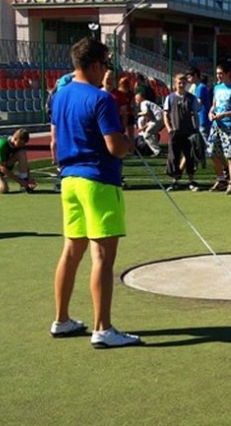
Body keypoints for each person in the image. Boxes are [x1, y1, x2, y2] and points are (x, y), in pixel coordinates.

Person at [49, 36, 142, 348]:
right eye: (105, 64)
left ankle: (61, 319)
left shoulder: (59, 95)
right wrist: (131, 143)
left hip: (70, 181)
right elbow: (115, 147)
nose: (107, 70)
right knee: (101, 255)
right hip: (98, 180)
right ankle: (103, 328)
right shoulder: (101, 99)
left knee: (71, 251)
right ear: (93, 64)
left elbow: (54, 139)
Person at [207, 60, 231, 194]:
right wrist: (211, 112)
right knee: (212, 152)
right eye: (217, 73)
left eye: (221, 73)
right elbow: (214, 104)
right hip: (216, 125)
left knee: (230, 155)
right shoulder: (217, 88)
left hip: (230, 126)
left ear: (227, 73)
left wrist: (225, 114)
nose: (218, 76)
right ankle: (221, 179)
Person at [163, 74, 200, 192]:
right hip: (175, 132)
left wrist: (197, 129)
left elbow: (195, 114)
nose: (181, 84)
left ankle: (191, 181)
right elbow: (165, 114)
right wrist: (169, 128)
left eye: (183, 82)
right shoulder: (170, 98)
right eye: (179, 82)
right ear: (175, 83)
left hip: (189, 132)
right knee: (174, 157)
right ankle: (175, 181)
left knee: (190, 156)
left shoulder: (191, 98)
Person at [0, 129, 36, 193]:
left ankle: (24, 181)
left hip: (5, 162)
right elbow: (3, 169)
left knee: (22, 153)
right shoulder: (0, 145)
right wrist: (20, 181)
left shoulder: (19, 144)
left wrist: (28, 179)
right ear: (15, 139)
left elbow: (25, 164)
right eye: (20, 144)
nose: (21, 146)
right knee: (3, 189)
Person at [134, 90, 164, 156]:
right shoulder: (148, 103)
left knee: (147, 135)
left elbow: (145, 112)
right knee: (154, 134)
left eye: (136, 99)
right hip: (161, 118)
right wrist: (143, 128)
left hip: (158, 118)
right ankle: (154, 150)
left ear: (141, 98)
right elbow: (150, 120)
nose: (135, 100)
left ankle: (157, 151)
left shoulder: (143, 103)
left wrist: (138, 114)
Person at [187, 68, 212, 142]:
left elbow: (198, 103)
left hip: (202, 117)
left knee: (204, 139)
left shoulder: (200, 87)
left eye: (189, 77)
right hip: (200, 117)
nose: (188, 79)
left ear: (195, 75)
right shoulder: (198, 87)